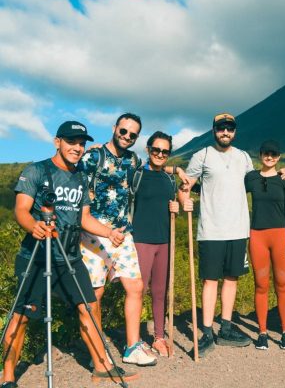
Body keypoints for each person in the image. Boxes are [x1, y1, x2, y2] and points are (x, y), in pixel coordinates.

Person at [1, 121, 138, 387]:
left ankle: (102, 366)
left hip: (69, 258)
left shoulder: (80, 177)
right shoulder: (36, 170)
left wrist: (109, 232)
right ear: (57, 142)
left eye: (81, 143)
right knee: (22, 316)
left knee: (89, 307)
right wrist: (34, 226)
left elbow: (84, 218)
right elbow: (21, 210)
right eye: (71, 141)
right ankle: (8, 377)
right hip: (36, 257)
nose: (77, 148)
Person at [179, 113, 285, 357]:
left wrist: (283, 172)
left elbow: (259, 179)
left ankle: (226, 328)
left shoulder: (243, 158)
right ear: (214, 130)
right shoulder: (202, 155)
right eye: (221, 128)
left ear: (235, 131)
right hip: (211, 229)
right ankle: (207, 332)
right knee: (210, 280)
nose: (225, 132)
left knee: (232, 279)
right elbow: (186, 185)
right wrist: (183, 199)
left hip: (239, 229)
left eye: (229, 128)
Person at [78, 113, 186, 366]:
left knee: (136, 287)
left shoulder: (133, 160)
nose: (127, 136)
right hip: (94, 233)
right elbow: (73, 176)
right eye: (123, 131)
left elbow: (154, 168)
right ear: (114, 128)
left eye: (132, 134)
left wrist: (177, 169)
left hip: (123, 233)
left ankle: (132, 347)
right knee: (96, 294)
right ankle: (97, 351)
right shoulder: (93, 157)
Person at [130, 131, 180, 357]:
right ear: (148, 149)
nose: (160, 154)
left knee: (160, 291)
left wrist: (176, 209)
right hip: (141, 240)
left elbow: (171, 207)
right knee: (138, 291)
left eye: (165, 151)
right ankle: (134, 340)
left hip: (165, 241)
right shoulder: (136, 175)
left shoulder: (169, 180)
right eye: (156, 150)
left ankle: (159, 337)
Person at [244, 140, 285, 350]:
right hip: (257, 236)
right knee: (261, 285)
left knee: (282, 285)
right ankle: (262, 333)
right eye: (266, 153)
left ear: (279, 157)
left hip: (281, 235)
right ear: (260, 155)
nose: (270, 157)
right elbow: (231, 194)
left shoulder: (284, 179)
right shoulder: (251, 178)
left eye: (274, 154)